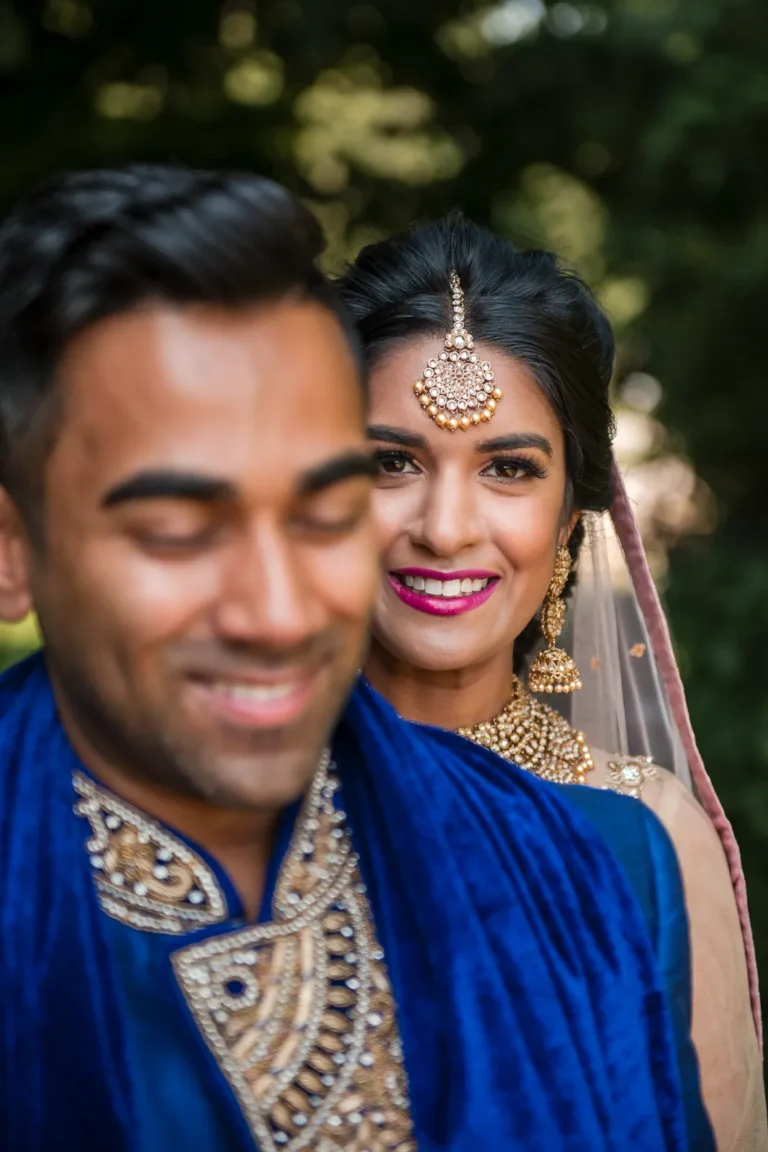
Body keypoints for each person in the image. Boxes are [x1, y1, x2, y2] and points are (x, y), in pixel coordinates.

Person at [0, 165, 712, 1152]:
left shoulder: (596, 871)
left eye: (322, 507)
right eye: (175, 524)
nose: (279, 605)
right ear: (12, 552)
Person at [339, 215, 767, 1152]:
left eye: (508, 469)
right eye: (392, 462)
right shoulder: (222, 801)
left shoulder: (649, 834)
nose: (446, 528)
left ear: (571, 520)